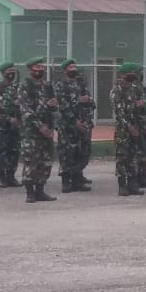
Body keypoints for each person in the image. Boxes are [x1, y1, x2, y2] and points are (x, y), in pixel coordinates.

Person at [18, 57, 58, 203]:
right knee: (32, 161)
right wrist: (40, 126)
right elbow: (26, 110)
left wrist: (53, 107)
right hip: (33, 131)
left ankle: (40, 190)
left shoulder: (47, 86)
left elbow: (53, 106)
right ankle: (30, 192)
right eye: (37, 66)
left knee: (46, 161)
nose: (40, 69)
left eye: (42, 66)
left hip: (47, 130)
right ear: (30, 70)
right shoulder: (25, 86)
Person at [54, 59, 91, 193]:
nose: (74, 69)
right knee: (66, 153)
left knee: (78, 153)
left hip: (80, 123)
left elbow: (87, 101)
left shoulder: (79, 85)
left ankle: (77, 181)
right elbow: (63, 106)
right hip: (67, 125)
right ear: (65, 70)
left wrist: (86, 102)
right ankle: (66, 182)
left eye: (75, 66)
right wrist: (74, 121)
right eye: (71, 67)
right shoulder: (60, 85)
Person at [112, 62, 146, 196]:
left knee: (133, 157)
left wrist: (142, 106)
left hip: (136, 127)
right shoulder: (116, 91)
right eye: (130, 73)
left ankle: (133, 184)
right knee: (122, 157)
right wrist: (129, 126)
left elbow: (141, 104)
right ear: (122, 75)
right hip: (123, 130)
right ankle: (122, 185)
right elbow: (119, 112)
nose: (133, 75)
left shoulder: (136, 89)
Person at [0, 62, 22, 188]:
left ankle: (11, 176)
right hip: (1, 125)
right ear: (3, 73)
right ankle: (1, 177)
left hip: (16, 125)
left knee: (14, 150)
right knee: (1, 150)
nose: (12, 73)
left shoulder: (18, 88)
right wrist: (7, 118)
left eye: (13, 70)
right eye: (9, 71)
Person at [75, 68, 96, 186]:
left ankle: (80, 173)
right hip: (76, 125)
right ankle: (73, 177)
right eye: (79, 77)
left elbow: (93, 105)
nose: (80, 79)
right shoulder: (70, 90)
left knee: (86, 151)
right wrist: (78, 100)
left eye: (82, 77)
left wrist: (88, 100)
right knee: (76, 151)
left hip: (87, 124)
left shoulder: (86, 90)